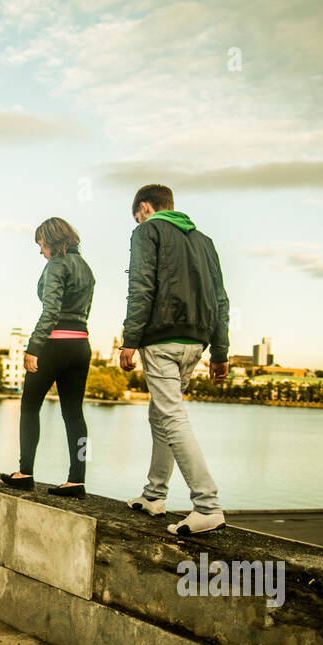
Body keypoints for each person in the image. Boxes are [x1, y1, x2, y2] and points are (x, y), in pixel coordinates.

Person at [118, 184, 229, 535]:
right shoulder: (204, 241)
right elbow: (221, 299)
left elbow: (141, 287)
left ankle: (207, 505)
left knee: (172, 418)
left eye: (137, 215)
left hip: (162, 339)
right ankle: (154, 495)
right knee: (161, 416)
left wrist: (129, 339)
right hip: (195, 343)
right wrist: (220, 351)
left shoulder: (146, 231)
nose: (137, 220)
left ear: (145, 208)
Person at [1, 218, 94, 497]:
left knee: (29, 406)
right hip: (81, 345)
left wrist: (34, 346)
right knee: (74, 414)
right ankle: (77, 479)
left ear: (52, 241)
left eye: (41, 244)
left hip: (54, 344)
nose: (40, 251)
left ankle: (24, 473)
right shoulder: (87, 269)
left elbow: (51, 311)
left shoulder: (56, 265)